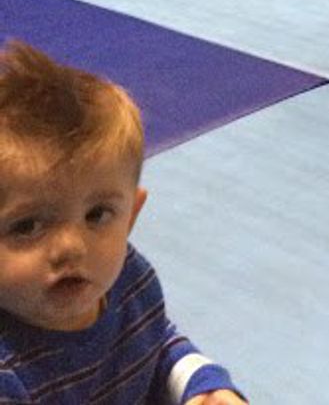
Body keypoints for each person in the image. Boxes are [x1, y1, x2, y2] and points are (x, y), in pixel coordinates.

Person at [0, 40, 246, 404]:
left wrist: (199, 384)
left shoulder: (128, 280)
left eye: (97, 215)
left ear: (130, 216)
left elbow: (152, 342)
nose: (71, 246)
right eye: (27, 226)